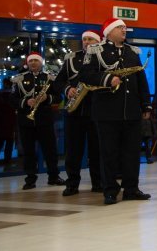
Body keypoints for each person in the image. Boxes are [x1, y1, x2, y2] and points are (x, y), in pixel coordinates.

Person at [81, 18, 152, 205]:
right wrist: (107, 79)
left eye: (125, 28)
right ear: (109, 31)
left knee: (132, 152)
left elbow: (140, 80)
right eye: (120, 27)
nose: (124, 30)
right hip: (107, 111)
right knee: (109, 153)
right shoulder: (96, 51)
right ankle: (110, 190)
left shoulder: (131, 51)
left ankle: (131, 188)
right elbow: (86, 75)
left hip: (131, 111)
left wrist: (146, 105)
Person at [53, 30, 102, 196]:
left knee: (97, 150)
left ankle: (98, 183)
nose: (86, 42)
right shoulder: (72, 59)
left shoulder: (103, 57)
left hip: (96, 109)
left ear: (98, 41)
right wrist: (67, 89)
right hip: (74, 111)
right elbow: (58, 81)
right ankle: (72, 184)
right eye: (84, 39)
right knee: (73, 150)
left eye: (90, 39)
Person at [11, 52, 64, 190]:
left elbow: (59, 97)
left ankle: (53, 177)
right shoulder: (19, 79)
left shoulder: (49, 78)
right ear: (27, 63)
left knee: (50, 150)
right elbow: (12, 99)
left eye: (36, 60)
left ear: (41, 63)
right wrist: (25, 101)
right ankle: (30, 179)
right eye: (31, 61)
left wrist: (48, 98)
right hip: (26, 121)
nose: (33, 63)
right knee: (28, 151)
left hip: (44, 120)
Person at [0, 78, 16, 167]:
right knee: (9, 141)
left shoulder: (0, 96)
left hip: (1, 121)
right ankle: (7, 159)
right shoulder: (13, 95)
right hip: (10, 121)